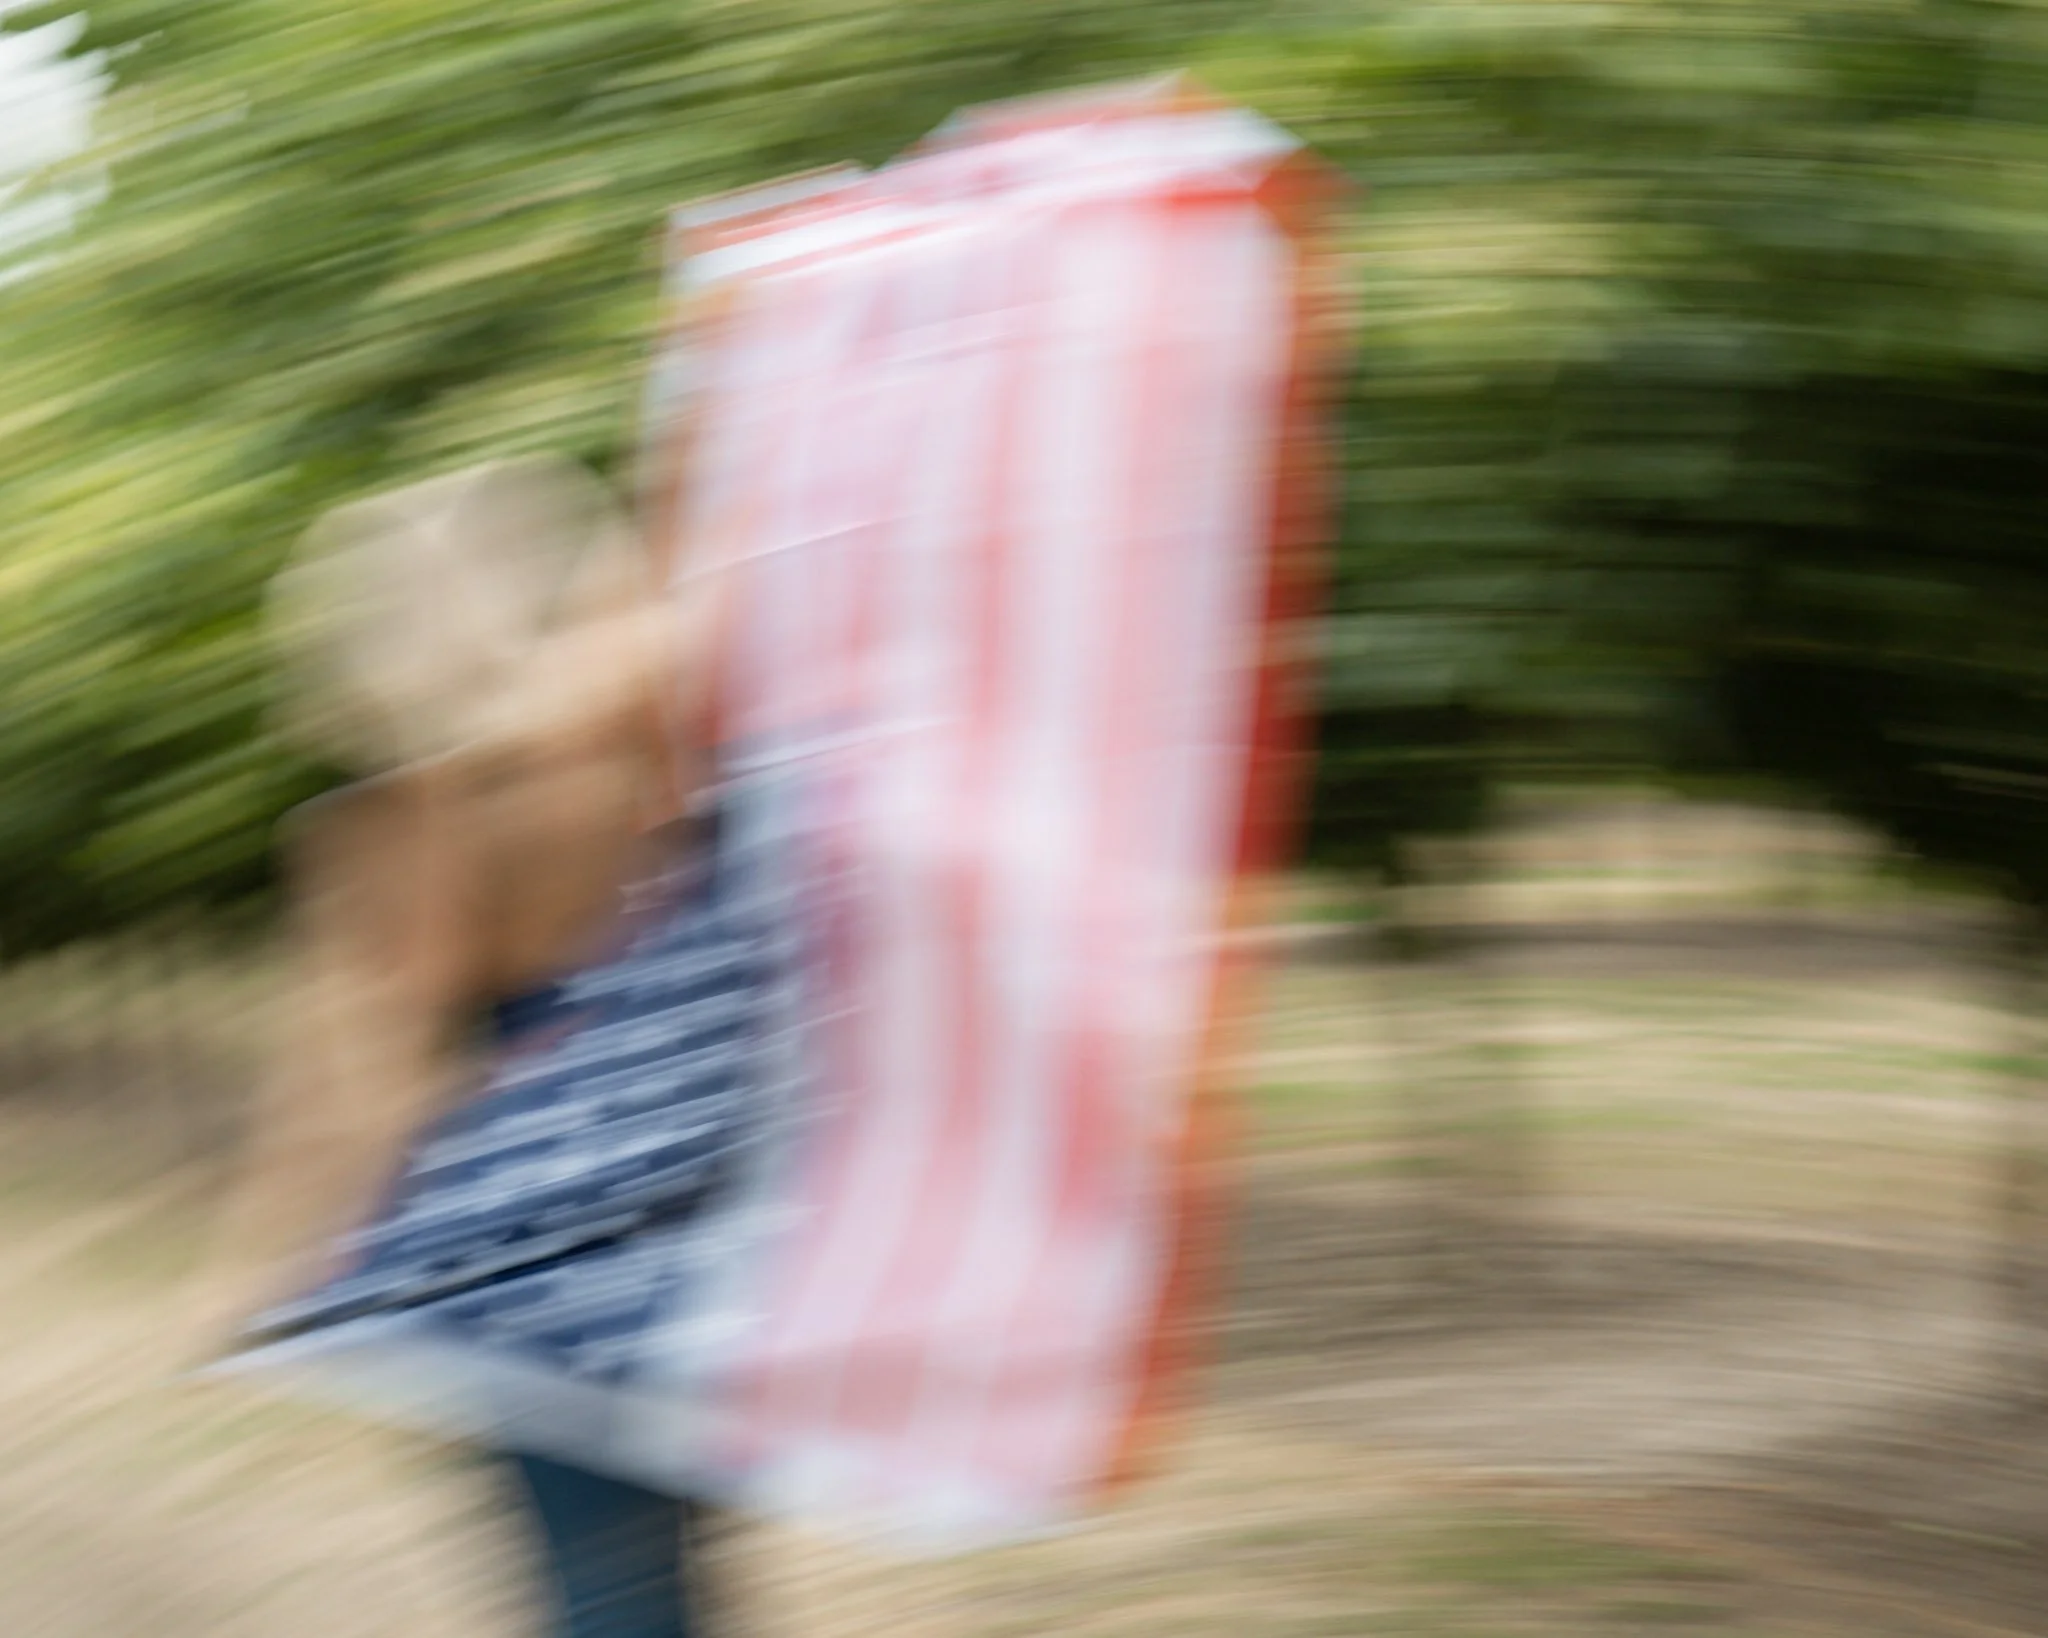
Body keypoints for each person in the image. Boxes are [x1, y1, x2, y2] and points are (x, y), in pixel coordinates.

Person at [187, 456, 742, 1638]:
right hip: (697, 1228)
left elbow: (366, 1073)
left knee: (601, 1588)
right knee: (680, 1574)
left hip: (520, 1270)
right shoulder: (651, 737)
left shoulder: (399, 818)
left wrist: (261, 1266)